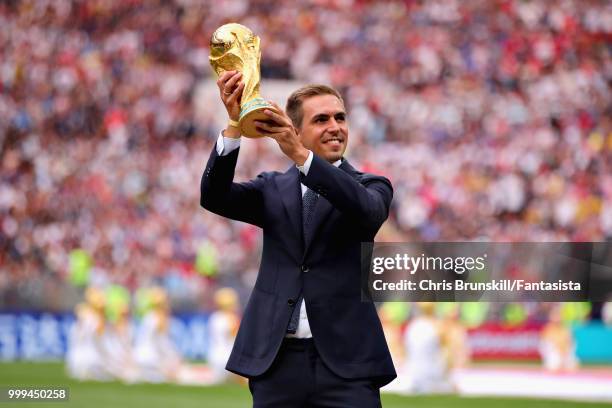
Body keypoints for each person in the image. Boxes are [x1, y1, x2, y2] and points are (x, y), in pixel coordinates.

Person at [200, 71, 396, 407]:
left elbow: (366, 212)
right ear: (297, 131)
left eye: (340, 117)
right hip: (277, 362)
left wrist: (303, 158)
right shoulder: (271, 187)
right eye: (321, 120)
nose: (335, 126)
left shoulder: (371, 185)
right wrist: (234, 124)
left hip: (346, 364)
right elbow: (214, 196)